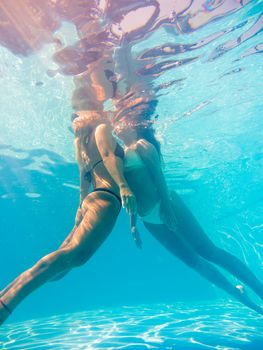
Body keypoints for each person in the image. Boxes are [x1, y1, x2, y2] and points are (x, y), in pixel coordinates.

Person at [0, 110, 136, 325]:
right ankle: (5, 305)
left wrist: (80, 208)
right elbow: (109, 156)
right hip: (108, 198)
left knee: (63, 266)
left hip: (94, 198)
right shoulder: (102, 129)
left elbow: (84, 178)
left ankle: (4, 296)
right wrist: (123, 186)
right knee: (73, 257)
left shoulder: (82, 141)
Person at [115, 120, 263, 316]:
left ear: (133, 125)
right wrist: (133, 224)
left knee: (208, 251)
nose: (116, 124)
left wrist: (167, 207)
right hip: (147, 217)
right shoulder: (118, 155)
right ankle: (246, 302)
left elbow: (159, 177)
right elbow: (130, 192)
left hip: (166, 205)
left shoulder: (141, 146)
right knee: (192, 262)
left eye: (121, 121)